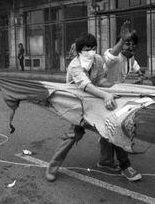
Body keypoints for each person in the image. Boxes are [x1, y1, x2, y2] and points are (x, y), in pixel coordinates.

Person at [45, 33, 141, 182]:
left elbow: (101, 79)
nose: (91, 52)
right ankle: (52, 166)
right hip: (78, 106)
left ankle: (109, 162)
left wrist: (115, 88)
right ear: (79, 51)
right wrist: (105, 95)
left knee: (112, 126)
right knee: (73, 136)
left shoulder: (97, 60)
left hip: (95, 102)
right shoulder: (75, 65)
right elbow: (86, 86)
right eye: (87, 49)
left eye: (93, 48)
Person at [102, 21, 143, 181]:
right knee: (118, 127)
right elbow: (109, 59)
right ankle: (125, 165)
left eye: (133, 44)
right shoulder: (115, 55)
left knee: (107, 131)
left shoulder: (130, 59)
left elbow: (137, 68)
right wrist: (121, 41)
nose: (130, 47)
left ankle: (105, 161)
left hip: (118, 98)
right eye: (127, 43)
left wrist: (140, 76)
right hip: (104, 97)